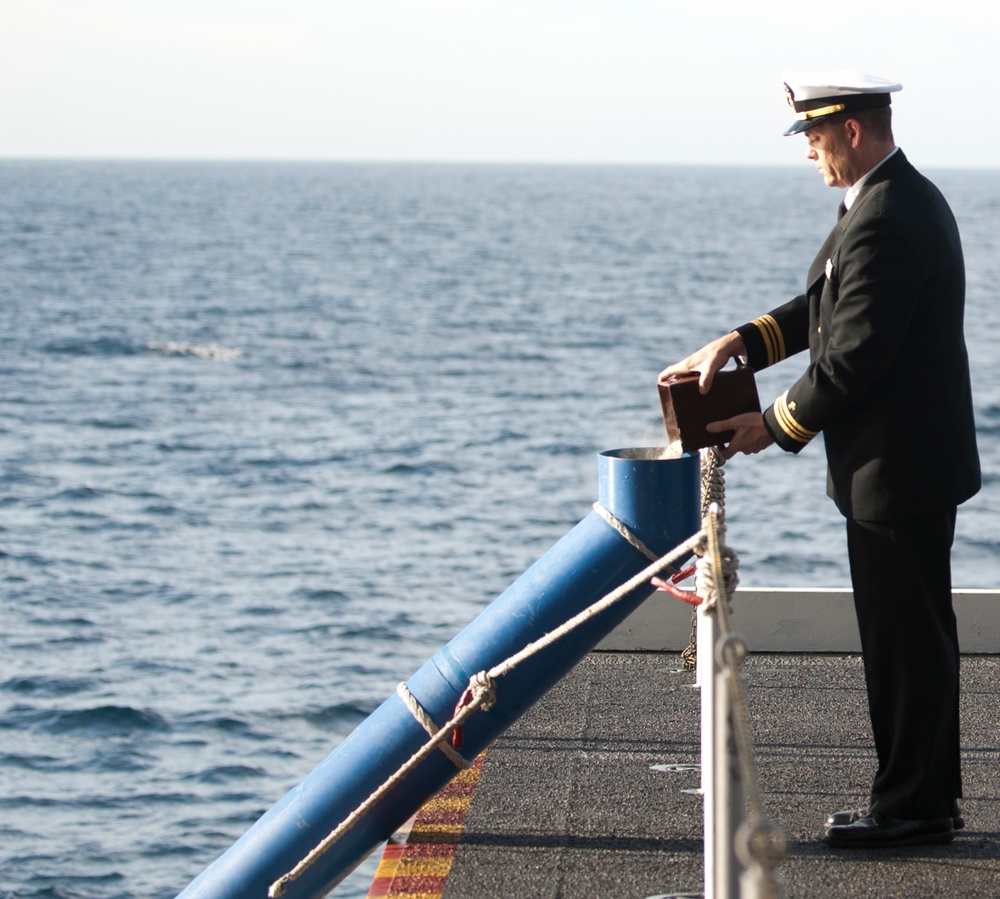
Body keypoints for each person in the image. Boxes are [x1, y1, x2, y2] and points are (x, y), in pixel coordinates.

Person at [659, 71, 980, 848]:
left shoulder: (886, 216)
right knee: (912, 641)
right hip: (903, 466)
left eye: (814, 135)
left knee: (907, 647)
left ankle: (911, 809)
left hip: (895, 471)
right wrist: (744, 341)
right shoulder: (886, 201)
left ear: (855, 131)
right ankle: (919, 798)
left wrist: (772, 423)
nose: (808, 151)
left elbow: (853, 359)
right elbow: (826, 309)